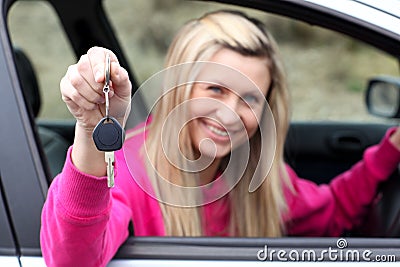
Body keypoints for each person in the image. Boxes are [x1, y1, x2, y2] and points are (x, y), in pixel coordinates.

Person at [40, 10, 400, 266]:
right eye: (215, 89)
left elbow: (332, 212)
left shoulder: (255, 180)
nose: (229, 114)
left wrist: (390, 151)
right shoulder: (131, 173)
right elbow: (72, 260)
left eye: (250, 99)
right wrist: (90, 131)